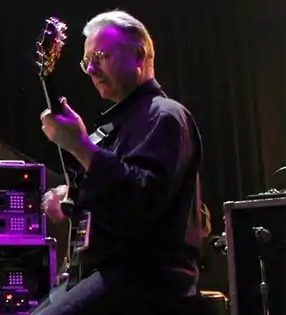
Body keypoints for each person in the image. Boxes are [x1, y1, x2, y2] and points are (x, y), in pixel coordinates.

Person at [35, 10, 204, 315]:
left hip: (144, 280)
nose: (91, 70)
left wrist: (82, 147)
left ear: (139, 55)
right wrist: (72, 196)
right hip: (104, 273)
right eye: (86, 61)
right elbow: (114, 197)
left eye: (100, 56)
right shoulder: (119, 124)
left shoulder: (164, 116)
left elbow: (141, 202)